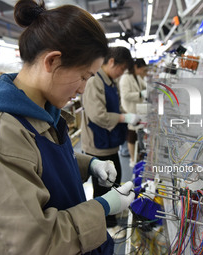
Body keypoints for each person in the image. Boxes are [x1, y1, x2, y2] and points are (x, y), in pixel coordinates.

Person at [0, 1, 135, 254]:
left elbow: (39, 161)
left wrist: (89, 164)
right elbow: (32, 243)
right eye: (83, 76)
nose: (83, 89)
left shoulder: (40, 110)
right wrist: (103, 207)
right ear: (52, 61)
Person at [81, 46, 139, 239]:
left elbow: (115, 105)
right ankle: (106, 223)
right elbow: (98, 115)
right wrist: (123, 118)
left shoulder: (110, 82)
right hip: (98, 144)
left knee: (115, 178)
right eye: (121, 69)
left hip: (109, 142)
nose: (121, 74)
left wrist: (129, 114)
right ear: (112, 62)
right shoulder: (94, 82)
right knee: (103, 185)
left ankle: (112, 212)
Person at [120, 58, 148, 167]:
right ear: (136, 67)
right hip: (129, 109)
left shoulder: (136, 76)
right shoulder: (125, 78)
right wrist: (141, 94)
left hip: (138, 109)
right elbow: (126, 95)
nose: (142, 72)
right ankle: (133, 159)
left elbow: (145, 86)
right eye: (142, 69)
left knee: (137, 132)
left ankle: (137, 156)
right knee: (131, 135)